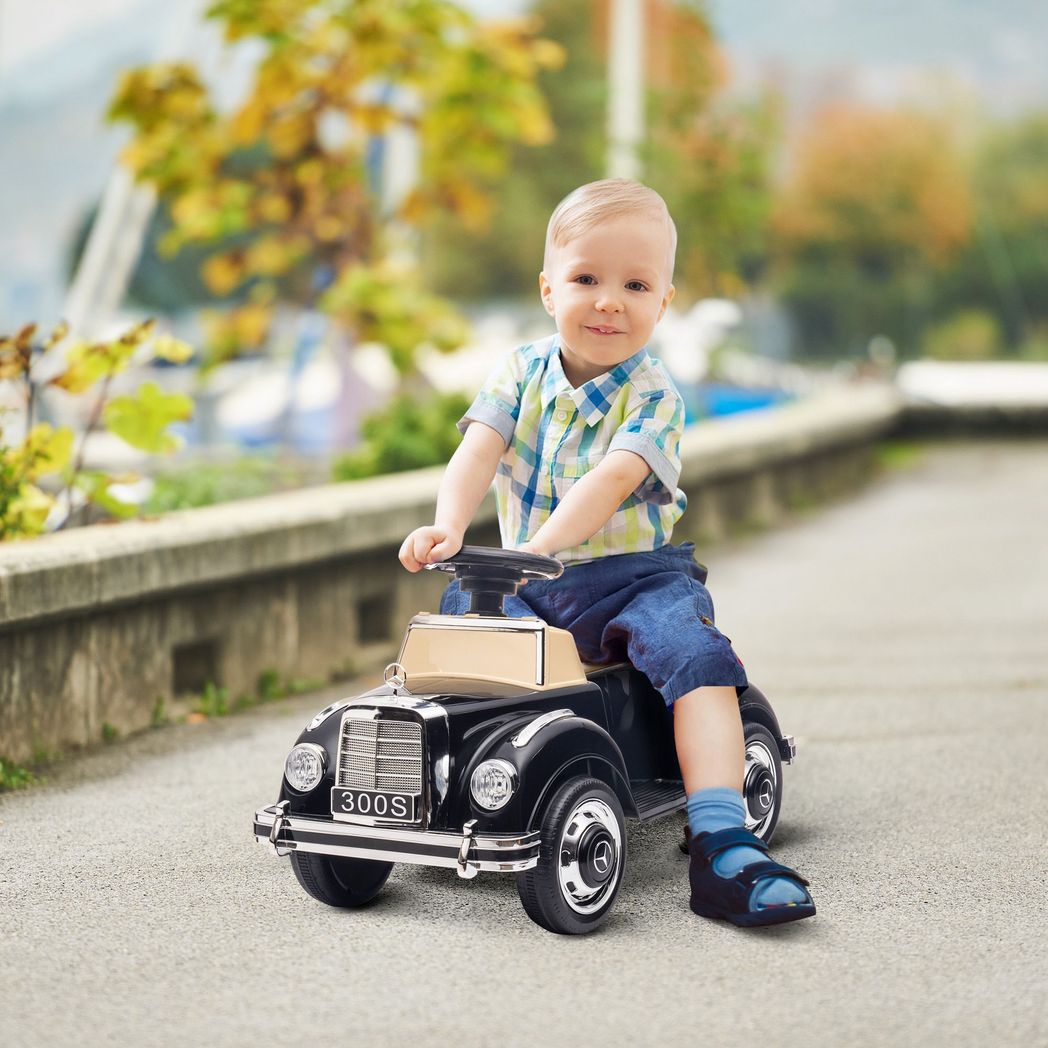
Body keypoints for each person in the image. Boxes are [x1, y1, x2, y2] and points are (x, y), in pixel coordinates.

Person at [399, 178, 815, 927]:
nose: (608, 301)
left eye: (635, 284)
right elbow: (478, 449)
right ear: (548, 288)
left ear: (664, 301)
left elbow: (609, 480)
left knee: (692, 653)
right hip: (527, 575)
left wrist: (536, 547)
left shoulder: (654, 395)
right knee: (452, 639)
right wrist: (449, 527)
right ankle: (435, 780)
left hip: (634, 576)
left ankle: (723, 838)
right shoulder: (520, 370)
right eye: (586, 279)